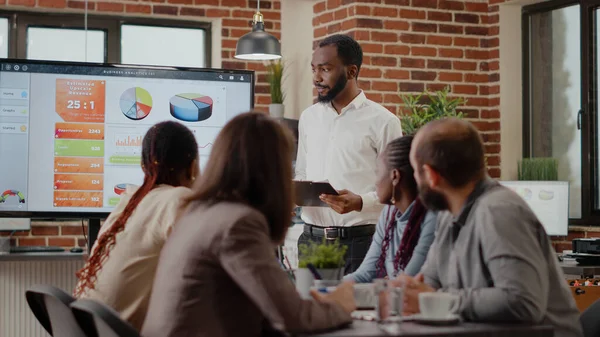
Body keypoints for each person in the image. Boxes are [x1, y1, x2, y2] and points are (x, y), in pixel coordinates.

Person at [142, 112, 355, 337]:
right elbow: (293, 318)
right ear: (273, 172)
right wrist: (340, 305)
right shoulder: (237, 224)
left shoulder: (200, 213)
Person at [397, 118, 582, 337]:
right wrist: (412, 291)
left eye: (417, 173)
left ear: (431, 176)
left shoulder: (499, 211)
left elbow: (522, 301)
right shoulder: (448, 215)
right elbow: (430, 282)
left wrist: (436, 300)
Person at [73, 121, 199, 330]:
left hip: (87, 327)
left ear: (143, 165)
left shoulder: (130, 199)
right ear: (193, 166)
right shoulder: (177, 199)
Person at [296, 34, 403, 273]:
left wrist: (361, 202)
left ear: (351, 71)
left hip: (361, 243)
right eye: (314, 69)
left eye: (325, 69)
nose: (316, 78)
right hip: (311, 241)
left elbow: (399, 190)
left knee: (360, 310)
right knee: (308, 309)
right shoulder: (308, 118)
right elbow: (302, 171)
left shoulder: (384, 122)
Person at [345, 135, 436, 283]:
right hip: (396, 300)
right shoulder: (389, 213)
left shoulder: (432, 216)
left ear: (395, 176)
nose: (375, 181)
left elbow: (407, 282)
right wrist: (326, 289)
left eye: (378, 172)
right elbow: (365, 274)